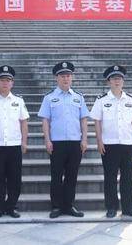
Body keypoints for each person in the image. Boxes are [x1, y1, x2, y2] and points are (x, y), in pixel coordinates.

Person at [90, 65, 132, 219]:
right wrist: (99, 141)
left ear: (123, 81)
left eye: (119, 78)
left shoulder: (131, 100)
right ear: (109, 82)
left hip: (126, 143)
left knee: (128, 178)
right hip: (109, 144)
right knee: (110, 177)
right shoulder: (101, 100)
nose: (117, 81)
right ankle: (111, 207)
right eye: (114, 78)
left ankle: (128, 208)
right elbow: (97, 122)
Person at [38, 61, 89, 219]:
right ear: (57, 78)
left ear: (72, 77)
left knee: (72, 176)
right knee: (56, 176)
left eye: (68, 76)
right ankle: (56, 206)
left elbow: (83, 119)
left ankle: (69, 205)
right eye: (62, 76)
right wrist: (47, 140)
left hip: (75, 143)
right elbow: (45, 120)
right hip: (57, 143)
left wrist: (84, 139)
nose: (65, 79)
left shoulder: (78, 97)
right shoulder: (49, 98)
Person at [0, 65, 29, 219]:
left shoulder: (18, 101)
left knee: (15, 178)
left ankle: (11, 206)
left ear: (12, 83)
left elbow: (24, 122)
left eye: (8, 80)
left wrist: (24, 142)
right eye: (2, 80)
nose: (5, 83)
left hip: (14, 146)